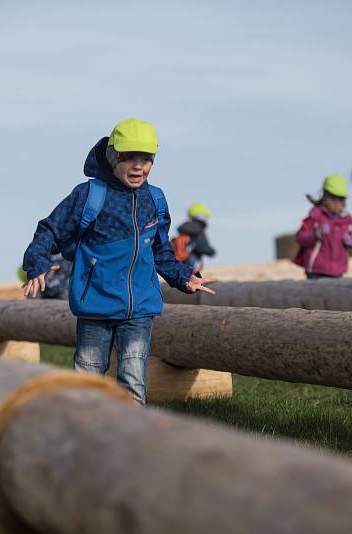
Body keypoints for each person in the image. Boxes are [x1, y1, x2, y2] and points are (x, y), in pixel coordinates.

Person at [21, 118, 215, 404]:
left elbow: (160, 251)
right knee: (88, 376)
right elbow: (51, 228)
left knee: (134, 378)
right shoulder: (89, 195)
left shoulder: (155, 200)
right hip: (95, 305)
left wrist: (183, 276)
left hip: (140, 309)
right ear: (113, 157)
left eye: (146, 159)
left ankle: (129, 439)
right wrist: (36, 261)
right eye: (128, 158)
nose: (138, 166)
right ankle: (83, 432)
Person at [293, 174, 352, 279]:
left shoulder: (348, 222)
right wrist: (316, 234)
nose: (337, 203)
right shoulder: (315, 218)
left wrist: (351, 240)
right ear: (324, 198)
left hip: (338, 271)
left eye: (341, 200)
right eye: (334, 199)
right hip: (316, 271)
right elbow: (300, 237)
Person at [172, 202, 217, 270]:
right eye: (206, 217)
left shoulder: (185, 229)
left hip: (180, 263)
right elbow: (203, 246)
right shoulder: (198, 230)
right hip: (192, 264)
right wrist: (212, 252)